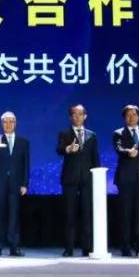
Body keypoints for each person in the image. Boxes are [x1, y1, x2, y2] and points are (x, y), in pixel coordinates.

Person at [56, 104, 100, 257]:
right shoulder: (64, 134)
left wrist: (97, 177)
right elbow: (59, 149)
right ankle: (69, 247)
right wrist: (68, 149)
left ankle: (87, 247)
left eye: (80, 114)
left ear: (85, 116)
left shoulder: (92, 135)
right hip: (70, 178)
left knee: (87, 214)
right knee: (70, 214)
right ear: (70, 117)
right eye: (74, 115)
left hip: (87, 179)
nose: (77, 117)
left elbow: (95, 157)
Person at [112, 104, 139, 257]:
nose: (131, 117)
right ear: (124, 118)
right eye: (128, 115)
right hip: (125, 179)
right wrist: (128, 152)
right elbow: (118, 148)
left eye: (134, 114)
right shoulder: (118, 133)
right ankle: (125, 245)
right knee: (125, 213)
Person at [0, 111, 30, 257]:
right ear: (1, 124)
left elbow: (26, 164)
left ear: (15, 124)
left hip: (16, 184)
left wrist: (24, 184)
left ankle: (14, 247)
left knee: (14, 216)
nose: (8, 124)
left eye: (11, 121)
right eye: (5, 122)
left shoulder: (23, 142)